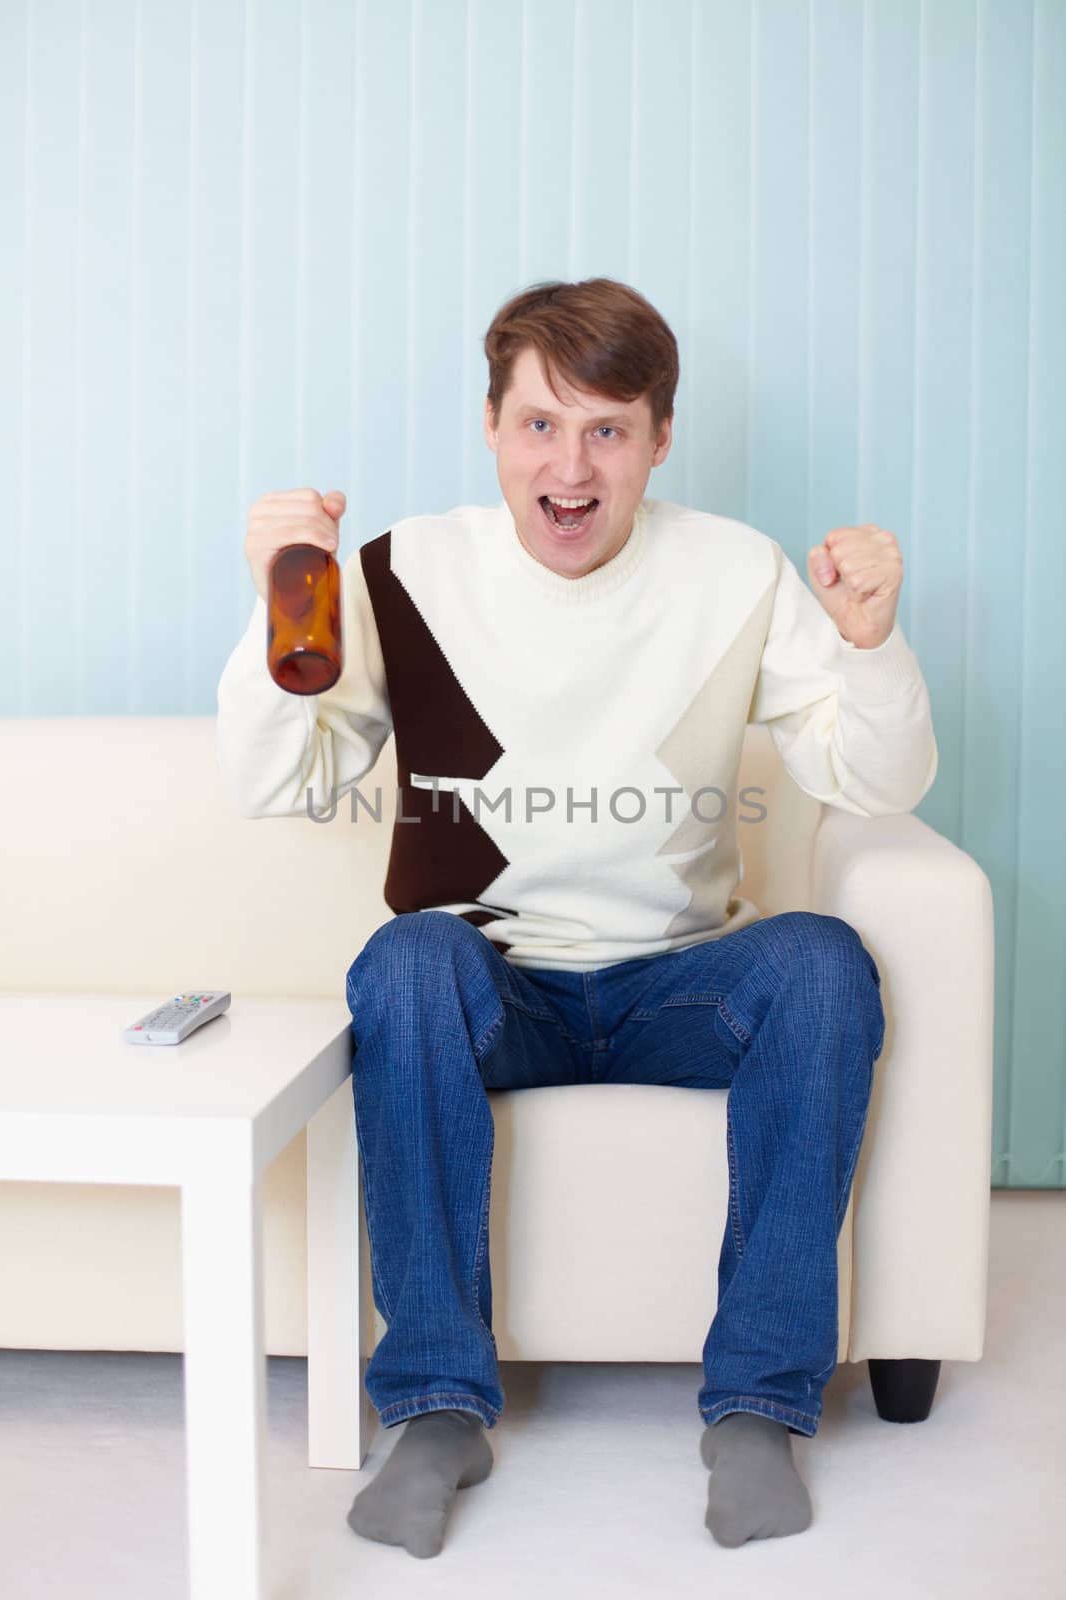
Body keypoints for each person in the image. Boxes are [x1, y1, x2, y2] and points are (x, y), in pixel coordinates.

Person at [215, 278, 937, 1558]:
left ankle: (756, 1410)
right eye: (539, 425)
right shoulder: (399, 570)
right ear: (490, 428)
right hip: (493, 982)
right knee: (405, 962)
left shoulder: (735, 571)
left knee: (825, 962)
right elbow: (277, 780)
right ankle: (436, 1406)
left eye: (607, 429)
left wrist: (871, 646)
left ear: (659, 440)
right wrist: (292, 596)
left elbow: (870, 784)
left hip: (681, 980)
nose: (570, 463)